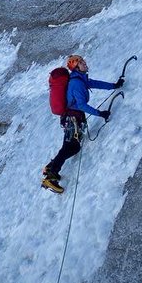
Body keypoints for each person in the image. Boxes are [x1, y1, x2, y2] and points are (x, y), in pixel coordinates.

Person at [42, 55, 124, 193]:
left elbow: (95, 83)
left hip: (72, 119)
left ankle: (51, 167)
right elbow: (81, 105)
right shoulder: (77, 83)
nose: (85, 64)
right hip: (72, 119)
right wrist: (100, 113)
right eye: (81, 62)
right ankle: (50, 176)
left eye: (83, 61)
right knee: (70, 146)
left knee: (72, 147)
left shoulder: (80, 79)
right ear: (75, 67)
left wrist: (114, 86)